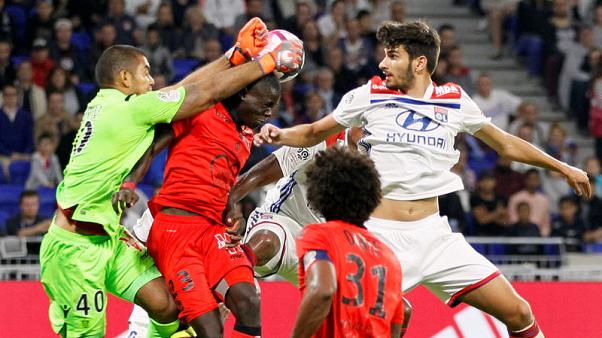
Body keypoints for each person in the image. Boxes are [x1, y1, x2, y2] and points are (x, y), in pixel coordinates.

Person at [255, 20, 591, 338]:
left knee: (519, 312)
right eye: (384, 55)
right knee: (365, 324)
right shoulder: (368, 95)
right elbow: (315, 131)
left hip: (436, 237)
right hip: (380, 238)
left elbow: (505, 143)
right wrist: (280, 134)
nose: (383, 64)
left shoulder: (454, 99)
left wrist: (563, 168)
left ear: (419, 64)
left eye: (393, 56)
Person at [39, 18, 303, 337]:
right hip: (74, 248)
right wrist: (266, 62)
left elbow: (180, 91)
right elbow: (202, 93)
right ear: (124, 77)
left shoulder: (114, 104)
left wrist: (232, 57)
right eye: (145, 72)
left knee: (167, 306)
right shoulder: (131, 109)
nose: (152, 81)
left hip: (107, 237)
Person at [125, 73, 279, 337]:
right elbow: (151, 147)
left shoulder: (245, 136)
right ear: (243, 93)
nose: (269, 113)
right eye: (266, 104)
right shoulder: (201, 110)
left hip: (213, 231)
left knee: (249, 300)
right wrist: (129, 184)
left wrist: (233, 212)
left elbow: (223, 185)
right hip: (175, 229)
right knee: (209, 329)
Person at [291, 147, 404, 337]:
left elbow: (322, 290)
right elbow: (403, 313)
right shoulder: (388, 256)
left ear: (320, 191)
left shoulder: (318, 235)